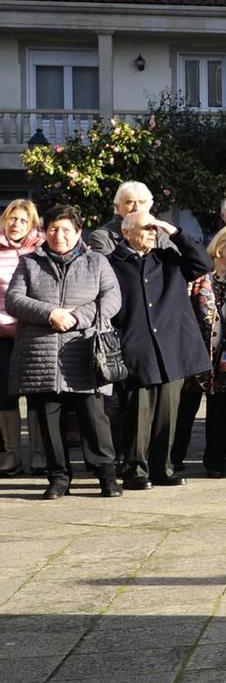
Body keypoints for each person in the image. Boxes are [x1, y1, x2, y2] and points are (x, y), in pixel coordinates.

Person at [7, 205, 122, 498]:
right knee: (49, 420)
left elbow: (112, 301)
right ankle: (58, 477)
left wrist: (76, 317)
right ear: (45, 232)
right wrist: (50, 313)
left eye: (65, 229)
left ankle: (106, 475)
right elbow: (14, 300)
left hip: (85, 353)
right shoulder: (30, 262)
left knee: (94, 420)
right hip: (41, 356)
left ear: (78, 232)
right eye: (53, 229)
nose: (58, 235)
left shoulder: (97, 262)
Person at [107, 209, 212, 490]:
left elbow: (202, 263)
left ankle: (162, 467)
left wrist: (173, 231)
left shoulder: (167, 259)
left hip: (171, 347)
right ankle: (134, 470)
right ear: (126, 232)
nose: (153, 233)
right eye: (147, 228)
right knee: (137, 415)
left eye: (156, 229)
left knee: (168, 413)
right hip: (135, 347)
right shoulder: (111, 263)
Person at [180, 225, 226, 477]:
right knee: (184, 410)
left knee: (221, 413)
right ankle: (174, 458)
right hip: (195, 354)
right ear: (221, 247)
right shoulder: (199, 276)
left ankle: (216, 462)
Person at [0, 199, 42, 476]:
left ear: (32, 225)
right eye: (12, 219)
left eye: (23, 220)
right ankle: (11, 454)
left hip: (35, 332)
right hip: (1, 334)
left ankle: (39, 454)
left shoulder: (41, 251)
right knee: (3, 396)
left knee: (38, 395)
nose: (16, 224)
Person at [87, 181, 154, 254]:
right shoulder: (102, 237)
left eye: (142, 202)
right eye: (130, 202)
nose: (136, 208)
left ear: (149, 206)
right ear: (117, 207)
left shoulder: (160, 235)